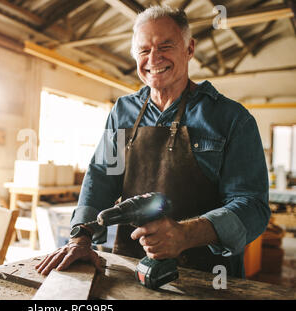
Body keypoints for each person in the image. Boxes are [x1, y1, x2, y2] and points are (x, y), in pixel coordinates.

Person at [35, 5, 270, 279]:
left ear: (189, 49)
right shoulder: (123, 112)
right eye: (144, 50)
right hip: (132, 268)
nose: (153, 58)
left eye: (165, 46)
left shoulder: (231, 118)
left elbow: (252, 206)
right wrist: (81, 237)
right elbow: (102, 177)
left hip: (208, 277)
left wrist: (185, 234)